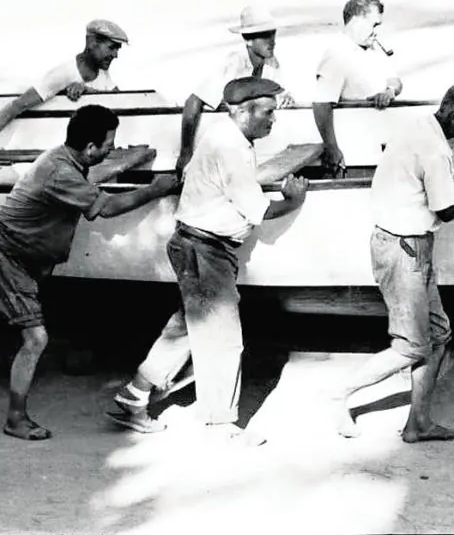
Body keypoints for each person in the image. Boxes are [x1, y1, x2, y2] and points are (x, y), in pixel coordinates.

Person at [0, 104, 180, 441]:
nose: (112, 148)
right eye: (109, 145)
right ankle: (16, 418)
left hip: (8, 256)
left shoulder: (65, 159)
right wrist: (156, 189)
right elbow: (107, 207)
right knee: (35, 339)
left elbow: (91, 179)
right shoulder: (62, 172)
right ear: (90, 148)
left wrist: (130, 159)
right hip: (8, 261)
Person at [109, 77, 309, 443]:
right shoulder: (232, 148)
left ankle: (133, 396)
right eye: (267, 113)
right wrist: (293, 200)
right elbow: (257, 211)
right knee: (223, 338)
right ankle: (220, 425)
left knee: (187, 327)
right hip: (207, 249)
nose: (272, 120)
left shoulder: (223, 134)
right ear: (244, 111)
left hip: (191, 244)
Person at [334, 81, 454, 443]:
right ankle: (340, 394)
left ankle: (417, 423)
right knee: (411, 347)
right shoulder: (435, 151)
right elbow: (446, 210)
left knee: (438, 336)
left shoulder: (418, 124)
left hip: (406, 245)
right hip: (404, 250)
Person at [0, 19, 128, 161]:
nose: (115, 55)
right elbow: (17, 105)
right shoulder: (64, 74)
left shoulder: (102, 71)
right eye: (111, 48)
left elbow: (117, 99)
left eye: (117, 49)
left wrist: (87, 91)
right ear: (92, 43)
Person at [173, 5, 296, 177]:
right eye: (264, 35)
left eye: (272, 33)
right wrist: (185, 153)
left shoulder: (272, 63)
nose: (272, 41)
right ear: (248, 40)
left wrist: (285, 97)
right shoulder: (234, 63)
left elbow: (277, 93)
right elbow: (193, 101)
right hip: (220, 138)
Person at [312, 0, 403, 175]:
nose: (376, 31)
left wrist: (389, 91)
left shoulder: (373, 50)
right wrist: (332, 149)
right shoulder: (338, 53)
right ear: (356, 20)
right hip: (356, 155)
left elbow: (396, 81)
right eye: (374, 24)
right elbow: (321, 104)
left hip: (381, 153)